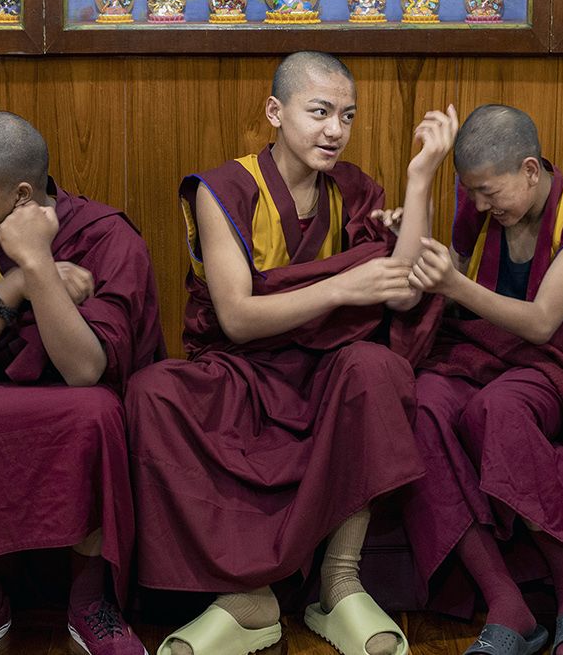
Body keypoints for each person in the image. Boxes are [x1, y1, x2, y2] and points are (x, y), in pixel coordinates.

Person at [127, 51, 438, 655]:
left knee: (377, 368)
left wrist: (421, 175)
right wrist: (344, 286)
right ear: (275, 111)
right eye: (319, 111)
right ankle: (246, 596)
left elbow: (403, 283)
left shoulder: (353, 190)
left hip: (326, 367)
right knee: (153, 392)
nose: (335, 130)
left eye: (347, 116)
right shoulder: (223, 190)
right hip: (243, 369)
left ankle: (339, 582)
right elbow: (237, 318)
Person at [401, 105, 563, 655]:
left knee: (497, 409)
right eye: (470, 192)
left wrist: (453, 285)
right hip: (475, 346)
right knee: (421, 404)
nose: (478, 205)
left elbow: (545, 322)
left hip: (559, 357)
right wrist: (412, 239)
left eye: (488, 192)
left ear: (529, 169)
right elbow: (442, 272)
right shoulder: (481, 204)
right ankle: (506, 604)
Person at [0, 112, 162, 655]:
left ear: (23, 197)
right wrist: (19, 282)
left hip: (70, 397)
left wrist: (36, 259)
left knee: (94, 412)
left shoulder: (108, 237)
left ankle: (90, 601)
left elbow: (85, 369)